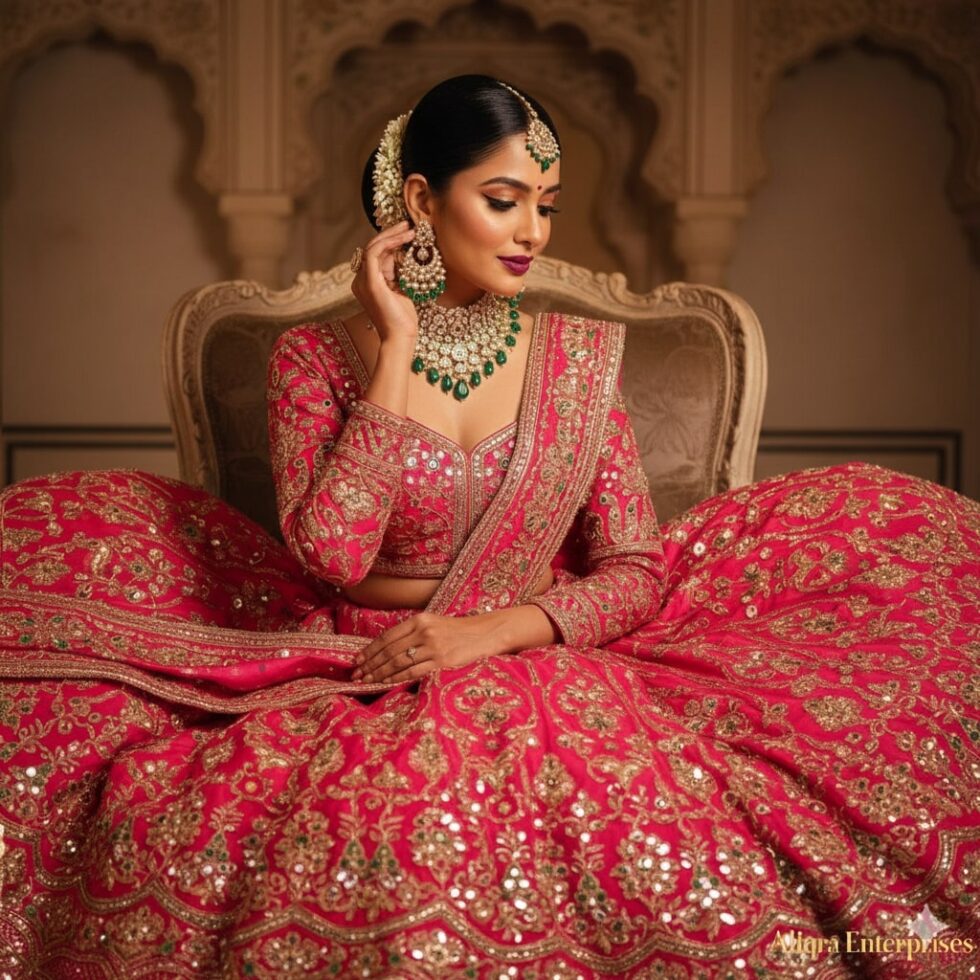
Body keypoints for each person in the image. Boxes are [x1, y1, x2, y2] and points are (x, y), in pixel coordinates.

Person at [0, 75, 977, 979]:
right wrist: (395, 351)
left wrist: (491, 630)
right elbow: (332, 556)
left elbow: (635, 570)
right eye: (504, 199)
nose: (532, 232)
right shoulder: (314, 356)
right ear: (421, 202)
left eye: (544, 204)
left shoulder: (579, 358)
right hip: (351, 653)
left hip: (536, 646)